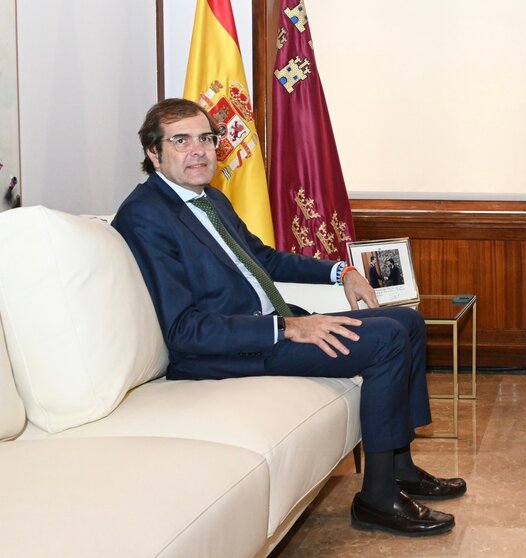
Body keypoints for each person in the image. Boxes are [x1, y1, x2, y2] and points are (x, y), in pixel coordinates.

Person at [113, 98, 465, 537]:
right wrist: (288, 327)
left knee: (407, 323)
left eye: (206, 138)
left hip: (272, 325)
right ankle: (377, 498)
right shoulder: (146, 214)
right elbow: (184, 328)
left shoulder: (210, 200)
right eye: (181, 141)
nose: (199, 151)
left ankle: (401, 468)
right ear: (154, 153)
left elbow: (261, 259)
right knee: (387, 341)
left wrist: (342, 270)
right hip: (229, 349)